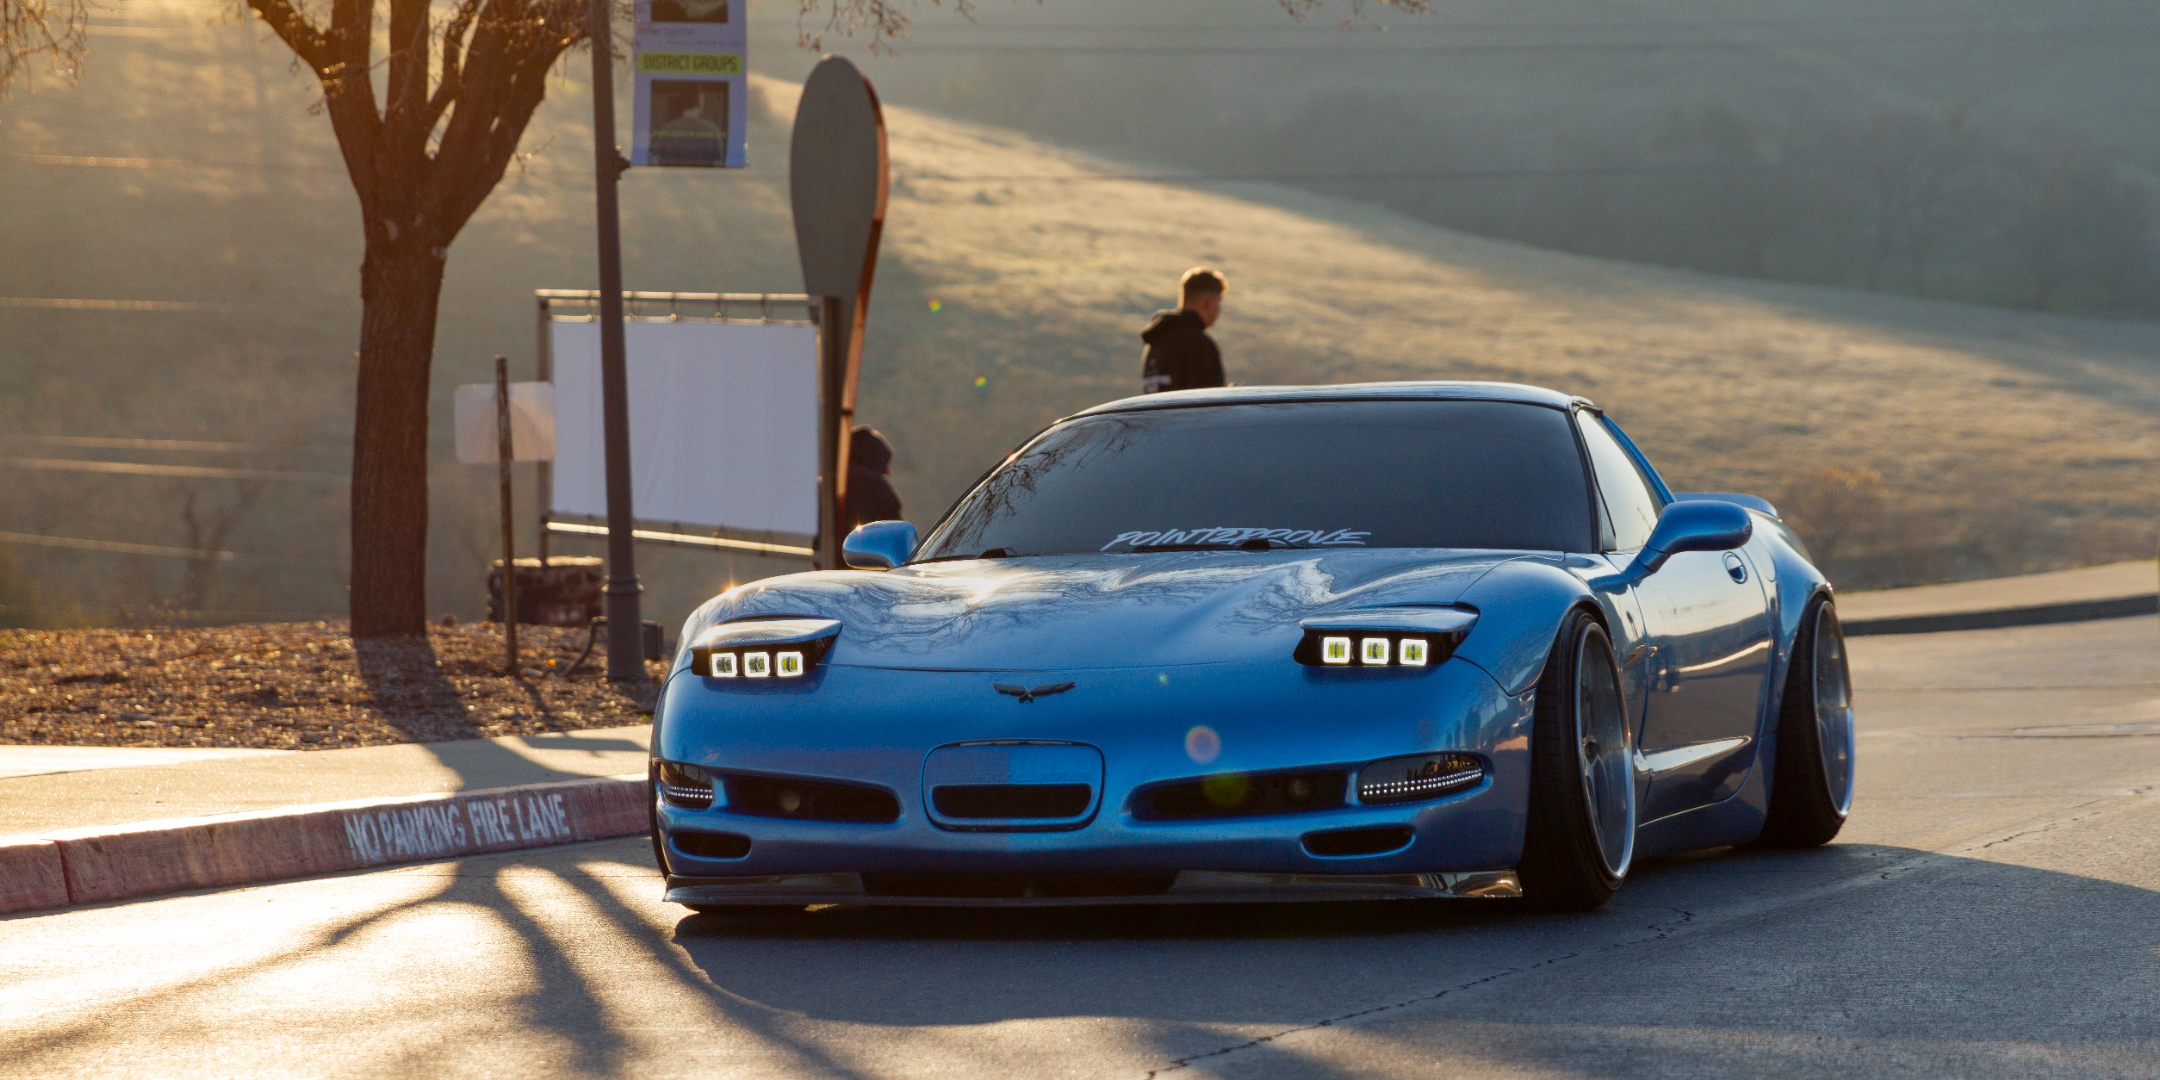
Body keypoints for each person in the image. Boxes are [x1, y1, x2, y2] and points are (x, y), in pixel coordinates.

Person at [1140, 267, 1227, 394]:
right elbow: (1210, 404)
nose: (1220, 309)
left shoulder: (1155, 341)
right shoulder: (1199, 344)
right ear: (1208, 303)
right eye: (1219, 301)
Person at [846, 425, 903, 529]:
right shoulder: (875, 486)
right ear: (875, 457)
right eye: (883, 463)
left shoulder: (830, 483)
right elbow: (896, 530)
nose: (887, 472)